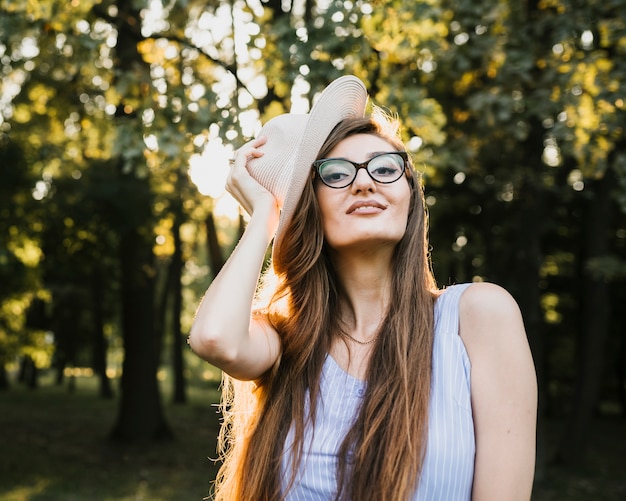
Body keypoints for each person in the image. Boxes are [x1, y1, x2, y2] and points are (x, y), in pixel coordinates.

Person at [189, 75, 537, 501]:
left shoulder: (478, 316)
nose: (365, 182)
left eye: (386, 167)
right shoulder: (286, 339)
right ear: (309, 211)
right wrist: (265, 216)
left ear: (409, 193)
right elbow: (213, 338)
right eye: (336, 173)